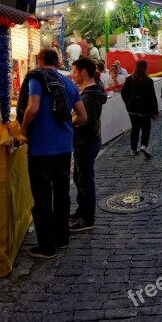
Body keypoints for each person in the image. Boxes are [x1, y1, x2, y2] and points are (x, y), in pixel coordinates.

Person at [18, 48, 87, 258]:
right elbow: (83, 117)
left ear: (39, 60)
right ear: (57, 61)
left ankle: (47, 247)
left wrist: (22, 130)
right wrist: (66, 126)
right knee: (62, 194)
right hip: (64, 148)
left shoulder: (37, 79)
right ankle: (62, 238)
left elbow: (33, 108)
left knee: (42, 197)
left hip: (41, 148)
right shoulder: (68, 82)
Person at [70, 58, 108, 233]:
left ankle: (87, 219)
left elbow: (89, 122)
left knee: (85, 181)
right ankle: (82, 211)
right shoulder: (93, 90)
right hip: (88, 142)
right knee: (80, 178)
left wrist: (71, 124)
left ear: (84, 72)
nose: (73, 75)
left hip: (86, 143)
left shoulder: (88, 96)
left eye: (75, 72)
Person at [121, 60, 159, 158]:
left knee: (135, 128)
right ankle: (143, 145)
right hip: (144, 110)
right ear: (145, 68)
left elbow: (124, 93)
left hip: (132, 109)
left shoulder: (130, 79)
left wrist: (128, 103)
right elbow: (152, 97)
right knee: (146, 128)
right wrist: (155, 111)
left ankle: (133, 149)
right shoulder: (148, 81)